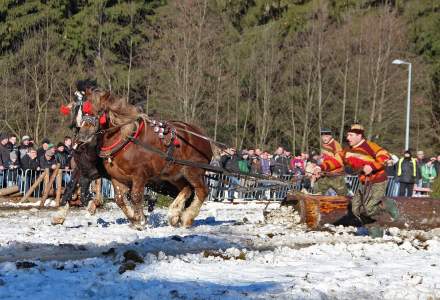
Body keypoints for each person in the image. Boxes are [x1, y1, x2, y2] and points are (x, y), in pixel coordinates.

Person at [343, 124, 397, 223]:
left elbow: (384, 156)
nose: (347, 138)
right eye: (347, 135)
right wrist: (319, 168)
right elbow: (338, 161)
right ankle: (374, 228)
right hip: (363, 182)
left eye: (351, 135)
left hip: (377, 180)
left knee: (369, 207)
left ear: (359, 136)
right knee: (356, 209)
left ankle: (387, 204)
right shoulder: (347, 150)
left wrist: (372, 167)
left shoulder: (370, 145)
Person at [314, 128, 347, 195]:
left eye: (326, 136)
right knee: (317, 190)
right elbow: (325, 160)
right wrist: (319, 170)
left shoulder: (336, 145)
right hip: (326, 175)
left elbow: (339, 162)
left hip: (336, 176)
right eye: (322, 136)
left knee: (343, 196)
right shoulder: (324, 146)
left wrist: (321, 167)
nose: (324, 138)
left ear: (330, 136)